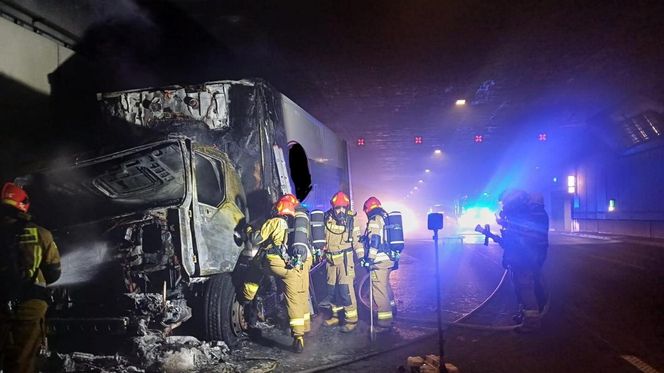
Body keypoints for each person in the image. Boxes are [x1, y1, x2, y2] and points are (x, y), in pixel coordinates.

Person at [0, 182, 61, 372]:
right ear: (23, 204)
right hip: (30, 306)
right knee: (22, 359)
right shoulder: (42, 234)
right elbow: (54, 273)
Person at [240, 195, 308, 352]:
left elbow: (256, 239)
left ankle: (246, 301)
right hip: (288, 266)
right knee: (294, 299)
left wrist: (249, 229)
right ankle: (299, 337)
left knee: (253, 271)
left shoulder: (274, 221)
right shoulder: (291, 225)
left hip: (272, 262)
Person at [496, 189, 549, 332]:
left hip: (524, 257)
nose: (504, 207)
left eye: (505, 203)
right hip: (528, 256)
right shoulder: (532, 215)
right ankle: (525, 315)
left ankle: (532, 322)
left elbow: (518, 238)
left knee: (525, 287)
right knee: (521, 287)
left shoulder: (524, 215)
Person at [318, 191, 362, 333]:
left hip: (344, 260)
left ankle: (351, 320)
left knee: (345, 291)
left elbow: (357, 242)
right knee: (332, 291)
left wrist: (361, 257)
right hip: (330, 261)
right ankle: (336, 316)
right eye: (338, 208)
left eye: (343, 207)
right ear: (333, 207)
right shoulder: (326, 218)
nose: (341, 210)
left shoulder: (352, 220)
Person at [359, 196, 396, 332]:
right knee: (385, 287)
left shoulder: (374, 219)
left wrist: (369, 259)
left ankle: (384, 322)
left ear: (368, 209)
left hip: (379, 260)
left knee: (379, 291)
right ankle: (392, 310)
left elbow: (374, 240)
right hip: (388, 259)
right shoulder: (384, 218)